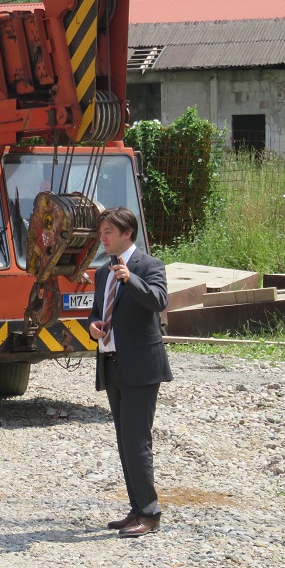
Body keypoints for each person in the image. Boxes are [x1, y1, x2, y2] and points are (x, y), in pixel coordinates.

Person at [87, 207, 172, 538]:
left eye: (108, 232)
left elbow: (159, 301)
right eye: (101, 232)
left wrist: (130, 279)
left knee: (137, 442)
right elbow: (96, 311)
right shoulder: (101, 273)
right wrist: (93, 325)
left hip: (142, 368)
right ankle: (136, 508)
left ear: (127, 233)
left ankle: (150, 513)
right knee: (125, 442)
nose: (102, 238)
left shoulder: (149, 266)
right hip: (112, 364)